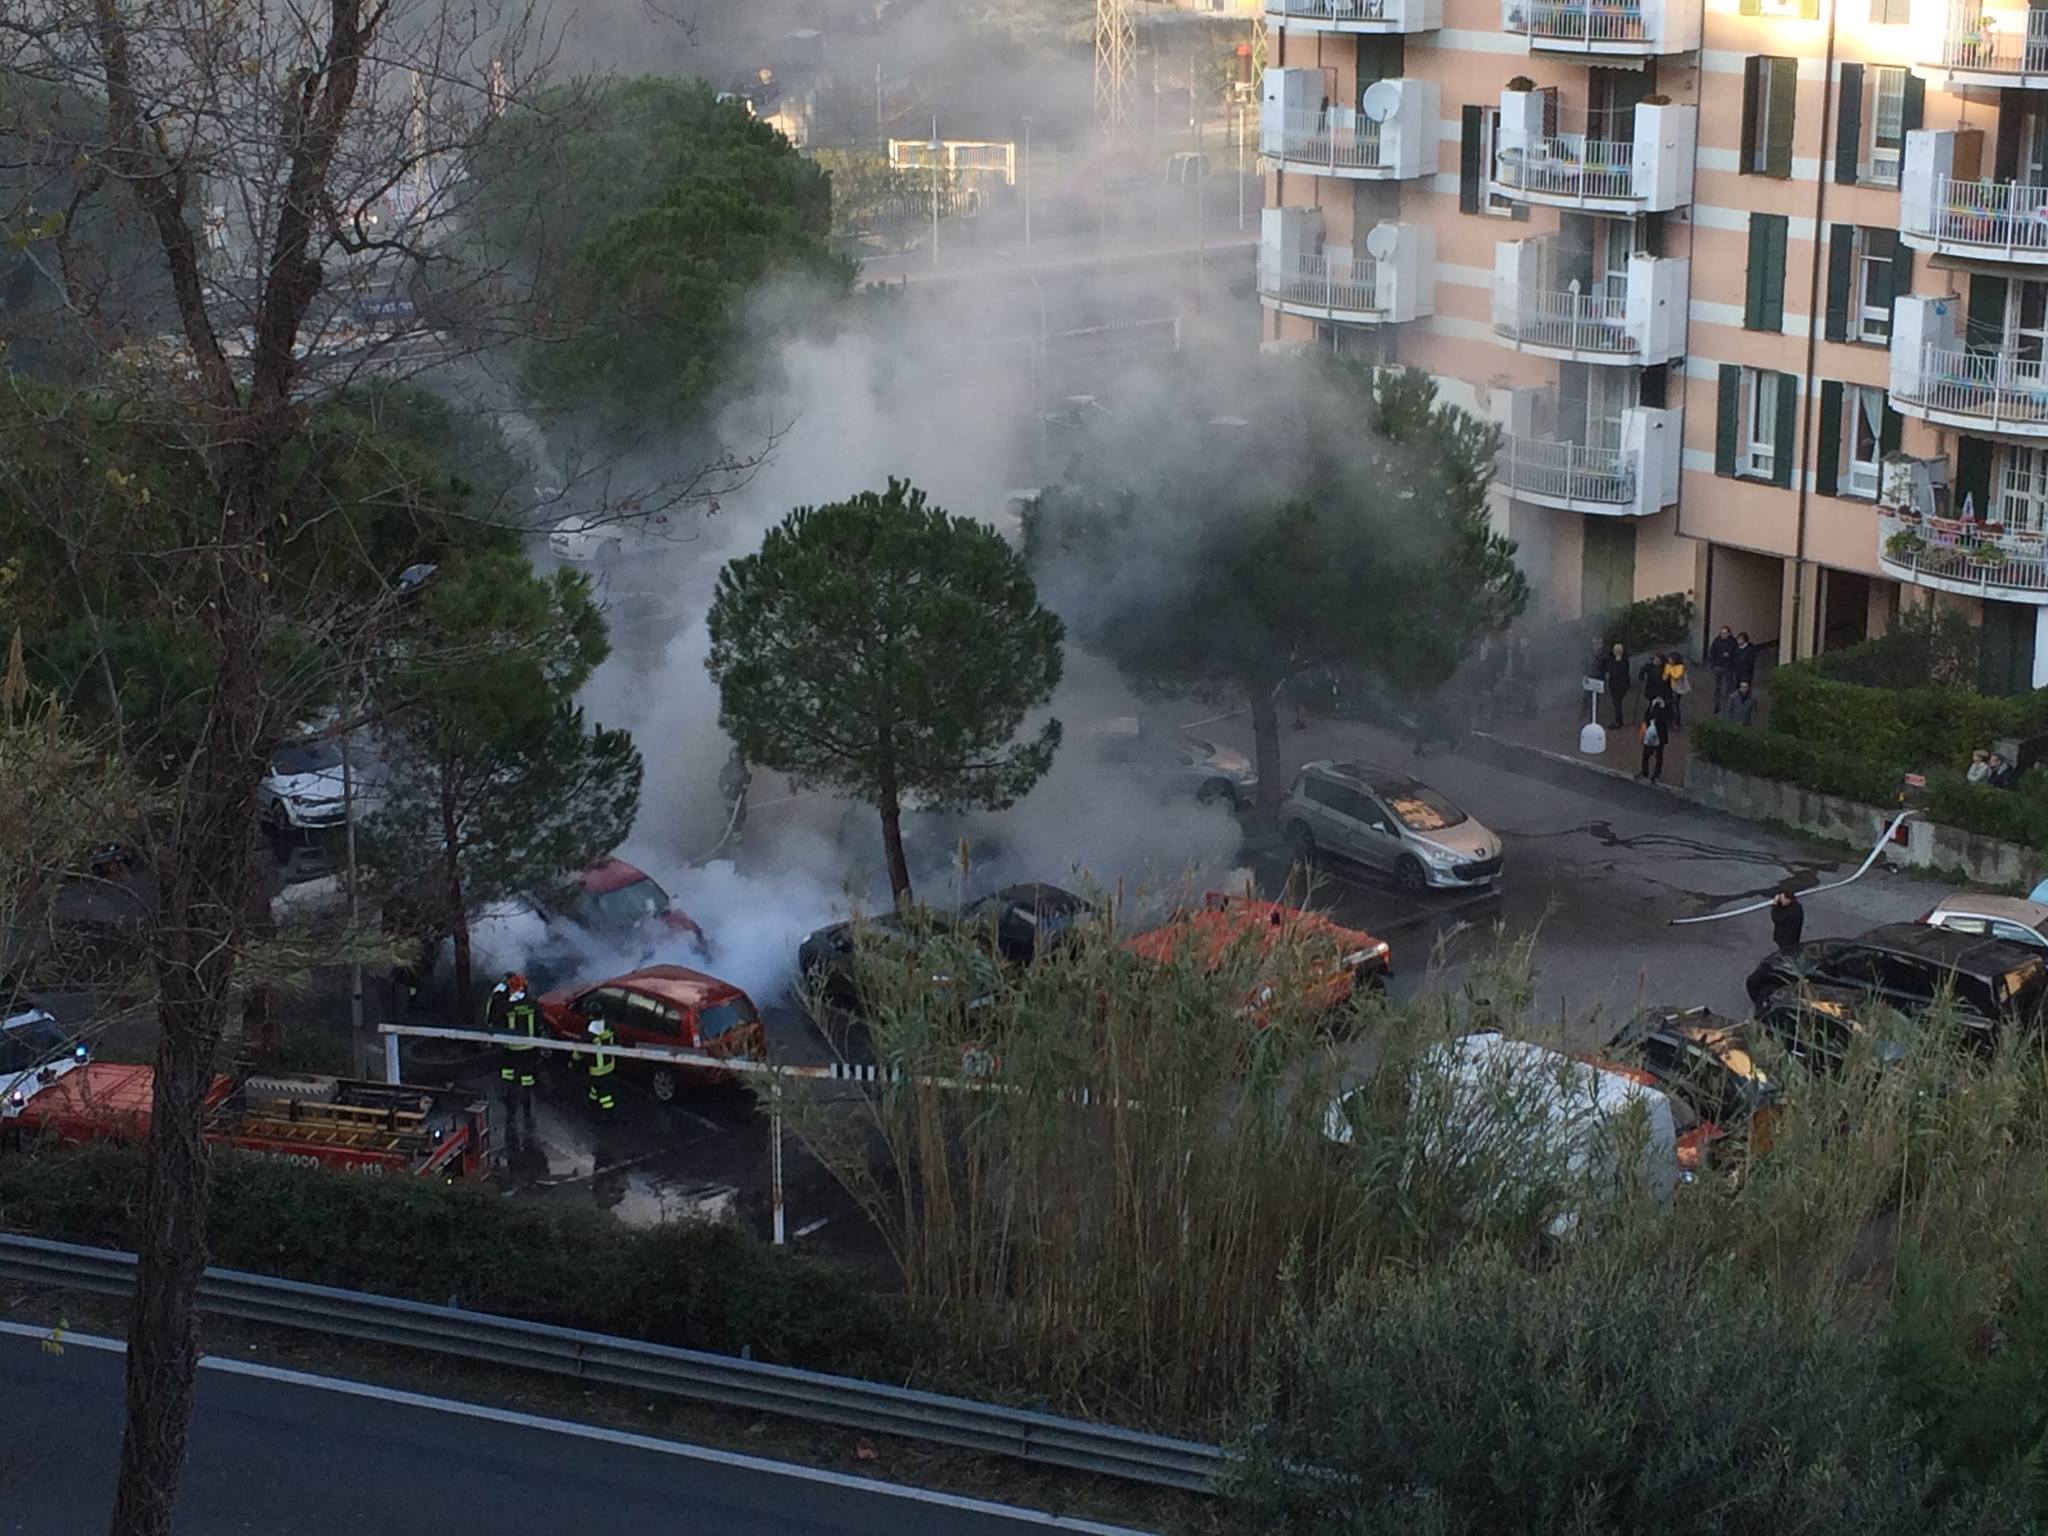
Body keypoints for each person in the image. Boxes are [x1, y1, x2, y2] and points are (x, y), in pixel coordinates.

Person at [497, 973, 539, 1122]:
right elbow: (539, 1024)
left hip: (510, 1048)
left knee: (508, 1074)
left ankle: (510, 1098)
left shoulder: (506, 1006)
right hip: (529, 1047)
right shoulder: (533, 1004)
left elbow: (498, 1025)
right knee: (527, 1077)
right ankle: (526, 1102)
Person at [585, 1016, 617, 1113]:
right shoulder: (610, 1031)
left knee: (603, 1092)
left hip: (597, 1069)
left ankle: (608, 1110)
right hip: (609, 1065)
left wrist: (573, 1060)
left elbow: (580, 1050)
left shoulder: (591, 1036)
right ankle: (593, 1101)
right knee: (597, 1085)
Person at [1639, 690, 1672, 783]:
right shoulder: (1652, 705)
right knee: (1646, 754)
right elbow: (1646, 717)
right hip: (1650, 733)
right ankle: (1644, 771)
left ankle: (1657, 774)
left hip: (1660, 734)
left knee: (1659, 755)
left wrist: (1661, 708)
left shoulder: (1666, 708)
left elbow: (1666, 720)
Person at [1707, 625, 1739, 713]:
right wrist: (1713, 664)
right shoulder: (1717, 641)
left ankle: (1728, 704)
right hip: (1718, 666)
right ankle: (1717, 704)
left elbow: (1735, 654)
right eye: (1721, 633)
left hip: (1728, 667)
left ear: (1729, 634)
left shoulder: (1732, 642)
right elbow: (1712, 652)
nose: (1722, 635)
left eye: (1724, 633)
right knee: (1717, 687)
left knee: (1728, 686)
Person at [1601, 641, 1632, 728]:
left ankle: (1618, 721)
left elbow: (1623, 671)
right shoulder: (1609, 658)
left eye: (1619, 650)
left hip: (1622, 684)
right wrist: (1606, 673)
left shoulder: (1624, 660)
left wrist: (1618, 662)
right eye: (1616, 650)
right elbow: (1603, 667)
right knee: (1616, 703)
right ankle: (1618, 720)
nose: (1617, 652)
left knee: (1617, 702)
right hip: (1613, 684)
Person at [1662, 652, 1691, 732]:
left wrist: (1669, 670)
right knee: (1668, 705)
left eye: (1671, 659)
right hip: (1670, 688)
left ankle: (1677, 723)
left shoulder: (1680, 667)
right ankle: (1669, 722)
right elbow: (1664, 677)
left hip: (1678, 689)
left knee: (1675, 705)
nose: (1669, 660)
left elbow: (1676, 676)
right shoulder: (1668, 666)